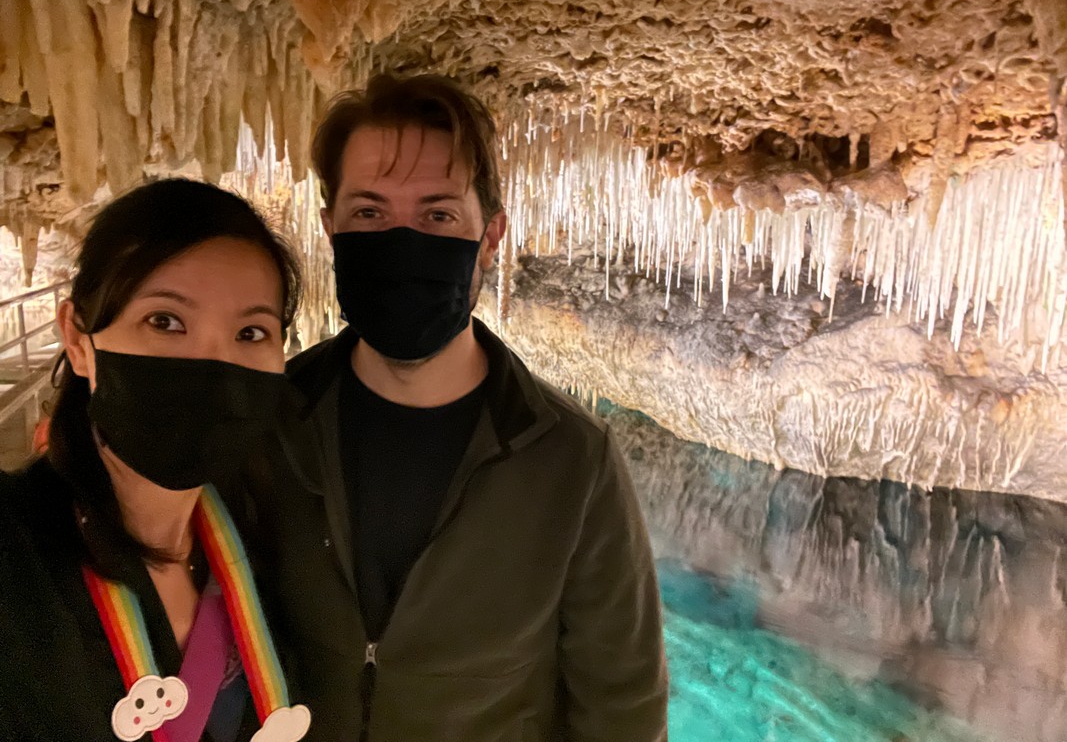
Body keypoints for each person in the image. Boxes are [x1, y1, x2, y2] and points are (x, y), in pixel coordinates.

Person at [258, 74, 669, 741]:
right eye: (370, 214)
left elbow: (622, 707)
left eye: (437, 216)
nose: (402, 244)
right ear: (330, 229)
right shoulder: (270, 421)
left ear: (491, 237)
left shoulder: (572, 461)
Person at [0, 179, 312, 742]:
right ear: (78, 339)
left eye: (251, 332)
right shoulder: (15, 553)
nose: (212, 366)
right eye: (165, 321)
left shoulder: (266, 530)